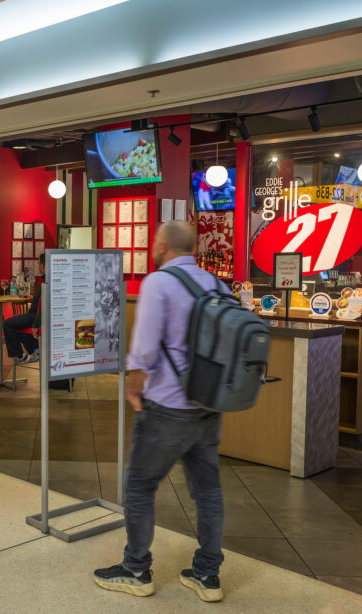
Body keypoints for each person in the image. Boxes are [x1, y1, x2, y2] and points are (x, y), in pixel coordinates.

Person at [93, 221, 227, 603]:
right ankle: (207, 574)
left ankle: (136, 569)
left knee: (139, 485)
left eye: (154, 242)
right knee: (208, 491)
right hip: (209, 405)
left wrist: (134, 389)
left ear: (163, 245)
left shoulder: (159, 283)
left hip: (167, 405)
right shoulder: (217, 284)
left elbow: (146, 348)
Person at [3, 253, 44, 363]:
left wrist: (36, 324)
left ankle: (19, 356)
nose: (38, 266)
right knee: (16, 327)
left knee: (7, 324)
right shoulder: (47, 280)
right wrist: (33, 298)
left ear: (44, 265)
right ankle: (36, 349)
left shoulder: (47, 281)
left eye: (39, 263)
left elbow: (44, 305)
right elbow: (41, 299)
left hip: (35, 316)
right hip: (34, 314)